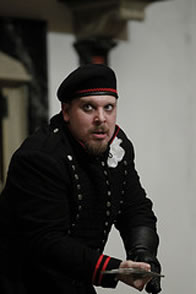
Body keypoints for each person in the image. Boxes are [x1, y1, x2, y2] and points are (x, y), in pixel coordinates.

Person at [0, 64, 162, 294]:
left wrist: (143, 253)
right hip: (23, 284)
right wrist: (114, 269)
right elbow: (46, 241)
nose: (101, 119)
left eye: (109, 107)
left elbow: (135, 208)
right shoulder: (39, 156)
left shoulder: (118, 145)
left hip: (73, 280)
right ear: (66, 111)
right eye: (88, 108)